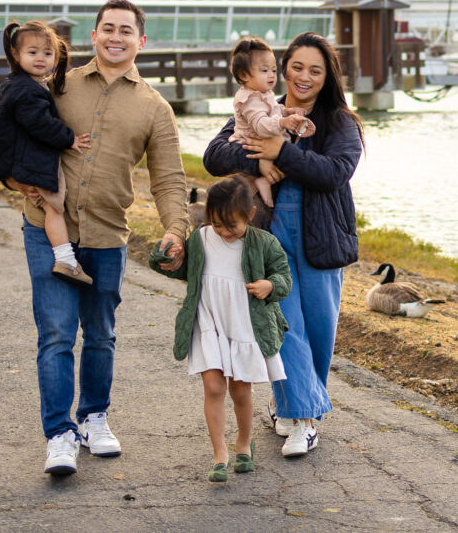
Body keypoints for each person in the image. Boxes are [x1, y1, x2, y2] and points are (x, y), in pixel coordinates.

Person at [18, 0, 189, 476]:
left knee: (101, 334)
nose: (116, 37)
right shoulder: (56, 84)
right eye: (108, 28)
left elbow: (170, 180)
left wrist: (176, 230)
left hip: (108, 237)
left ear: (141, 41)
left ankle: (93, 417)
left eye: (126, 31)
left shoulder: (155, 108)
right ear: (93, 35)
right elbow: (14, 134)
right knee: (55, 334)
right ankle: (59, 435)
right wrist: (14, 180)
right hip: (48, 231)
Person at [203, 31, 363, 457]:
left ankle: (293, 405)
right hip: (270, 234)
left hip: (321, 236)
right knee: (283, 326)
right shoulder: (260, 107)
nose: (303, 77)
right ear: (280, 69)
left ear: (327, 75)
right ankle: (304, 420)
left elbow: (334, 172)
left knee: (320, 331)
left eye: (315, 69)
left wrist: (282, 152)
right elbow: (215, 155)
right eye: (295, 67)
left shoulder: (338, 121)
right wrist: (259, 159)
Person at [149, 174, 291, 481]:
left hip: (243, 325)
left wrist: (270, 285)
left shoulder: (264, 243)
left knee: (241, 391)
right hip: (208, 321)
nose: (224, 232)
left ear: (250, 215)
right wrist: (165, 257)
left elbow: (284, 278)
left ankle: (243, 444)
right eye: (217, 224)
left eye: (232, 225)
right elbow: (184, 270)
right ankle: (219, 453)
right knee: (214, 387)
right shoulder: (200, 239)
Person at [0, 21, 93, 286]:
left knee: (47, 204)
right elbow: (40, 124)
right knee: (55, 206)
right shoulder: (28, 92)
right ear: (16, 55)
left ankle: (62, 255)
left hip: (21, 160)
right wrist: (70, 139)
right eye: (32, 52)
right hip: (33, 161)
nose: (41, 58)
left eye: (47, 53)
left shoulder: (16, 85)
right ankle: (65, 259)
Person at [227, 36, 314, 210]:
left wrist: (287, 111)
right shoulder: (249, 99)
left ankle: (261, 181)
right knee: (285, 161)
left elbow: (272, 110)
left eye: (274, 70)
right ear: (244, 75)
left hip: (263, 144)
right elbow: (261, 124)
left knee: (289, 158)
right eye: (264, 70)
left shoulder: (264, 94)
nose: (272, 75)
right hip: (251, 144)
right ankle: (262, 180)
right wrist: (283, 122)